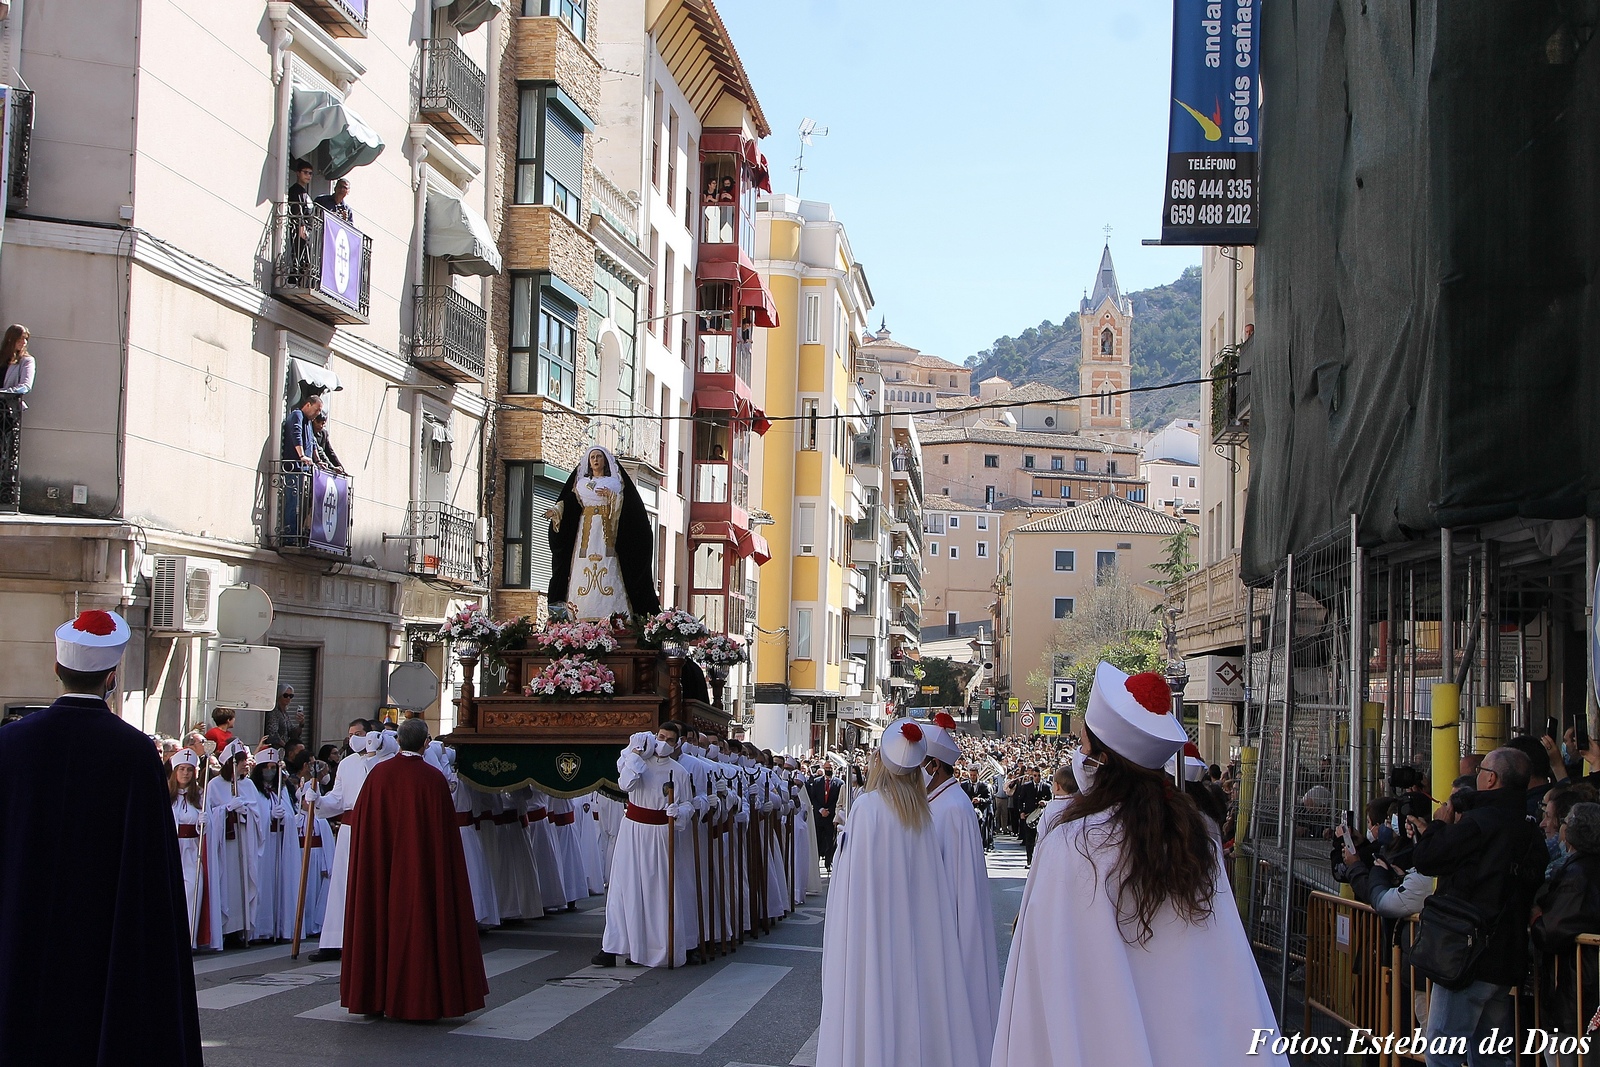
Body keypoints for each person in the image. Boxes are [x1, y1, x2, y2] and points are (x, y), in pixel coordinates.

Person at [992, 662, 1286, 1067]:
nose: (1079, 757)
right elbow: (1225, 978)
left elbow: (1042, 986)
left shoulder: (1070, 843)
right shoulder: (1199, 840)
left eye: (1083, 746)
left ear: (1102, 760)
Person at [0, 610, 203, 1064]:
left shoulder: (9, 744)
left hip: (21, 921)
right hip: (105, 932)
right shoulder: (134, 752)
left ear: (57, 668)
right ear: (112, 678)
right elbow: (153, 868)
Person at [818, 719, 985, 1067]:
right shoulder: (922, 815)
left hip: (875, 933)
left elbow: (851, 883)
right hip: (913, 939)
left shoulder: (868, 807)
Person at [1409, 746, 1548, 1067]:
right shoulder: (1529, 829)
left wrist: (1440, 825)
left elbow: (1427, 859)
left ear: (1491, 778)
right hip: (1505, 957)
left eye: (1480, 770)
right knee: (1490, 1057)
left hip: (1464, 957)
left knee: (1442, 1053)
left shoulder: (1477, 825)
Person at [339, 719, 488, 1020]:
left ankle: (376, 994)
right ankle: (422, 997)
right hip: (422, 872)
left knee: (380, 919)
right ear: (425, 743)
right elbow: (444, 839)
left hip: (383, 870)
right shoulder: (433, 779)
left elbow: (366, 833)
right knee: (422, 923)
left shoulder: (378, 776)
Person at [922, 723, 1000, 1049]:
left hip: (951, 926)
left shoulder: (951, 807)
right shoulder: (942, 801)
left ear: (934, 765)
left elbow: (951, 885)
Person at [596, 727, 692, 968]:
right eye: (661, 737)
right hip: (632, 829)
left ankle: (651, 948)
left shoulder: (679, 772)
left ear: (677, 743)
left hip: (659, 834)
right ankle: (614, 946)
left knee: (656, 889)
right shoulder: (635, 760)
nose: (664, 743)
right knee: (622, 886)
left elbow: (688, 804)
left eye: (670, 740)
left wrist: (678, 811)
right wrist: (636, 755)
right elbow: (626, 784)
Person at [545, 446, 660, 620]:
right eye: (592, 457)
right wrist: (556, 511)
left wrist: (612, 497)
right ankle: (580, 614)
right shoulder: (581, 484)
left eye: (599, 456)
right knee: (582, 568)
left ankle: (614, 614)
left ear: (605, 460)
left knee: (610, 567)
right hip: (585, 532)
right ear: (589, 462)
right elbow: (569, 504)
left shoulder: (615, 482)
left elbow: (628, 509)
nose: (596, 460)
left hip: (607, 532)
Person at [1531, 802, 1600, 1067]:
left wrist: (1536, 916)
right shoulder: (1580, 869)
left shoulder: (1578, 874)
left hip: (1577, 991)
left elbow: (1553, 931)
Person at [307, 723, 372, 963]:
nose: (353, 739)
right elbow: (337, 798)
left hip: (374, 830)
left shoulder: (385, 761)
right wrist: (318, 801)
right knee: (341, 883)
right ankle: (335, 940)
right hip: (349, 830)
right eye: (350, 735)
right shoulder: (346, 764)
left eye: (358, 734)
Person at [250, 747, 302, 943]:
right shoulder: (253, 789)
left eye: (274, 767)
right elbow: (253, 813)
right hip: (262, 844)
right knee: (263, 884)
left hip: (279, 842)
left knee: (279, 883)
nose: (270, 771)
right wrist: (268, 816)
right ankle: (261, 928)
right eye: (267, 767)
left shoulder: (281, 789)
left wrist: (285, 817)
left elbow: (291, 814)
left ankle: (279, 926)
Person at [169, 748, 206, 946]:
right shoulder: (165, 793)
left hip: (192, 850)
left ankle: (188, 938)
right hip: (172, 849)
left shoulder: (200, 795)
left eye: (189, 770)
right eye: (182, 769)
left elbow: (208, 827)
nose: (185, 773)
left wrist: (206, 822)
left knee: (192, 890)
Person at [0, 324, 34, 511]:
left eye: (26, 339)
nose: (24, 342)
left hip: (8, 412)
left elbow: (25, 386)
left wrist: (3, 392)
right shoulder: (2, 358)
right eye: (21, 338)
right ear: (11, 339)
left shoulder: (26, 361)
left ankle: (5, 493)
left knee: (7, 454)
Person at [808, 761, 842, 871]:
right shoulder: (817, 782)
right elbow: (813, 798)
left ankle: (828, 863)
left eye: (830, 768)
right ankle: (815, 864)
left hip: (831, 817)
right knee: (817, 840)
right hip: (818, 816)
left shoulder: (839, 783)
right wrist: (821, 809)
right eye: (826, 767)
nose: (828, 769)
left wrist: (829, 810)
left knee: (830, 841)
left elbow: (839, 800)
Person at [312, 409, 346, 474]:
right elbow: (320, 451)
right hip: (313, 466)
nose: (320, 426)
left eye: (323, 423)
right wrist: (332, 467)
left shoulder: (324, 434)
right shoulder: (308, 431)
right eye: (318, 422)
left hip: (321, 469)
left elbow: (330, 452)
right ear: (313, 421)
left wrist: (340, 468)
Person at [264, 683, 297, 749]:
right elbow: (273, 734)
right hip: (275, 750)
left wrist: (301, 724)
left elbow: (292, 732)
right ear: (279, 695)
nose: (288, 698)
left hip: (284, 749)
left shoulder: (285, 713)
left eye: (291, 696)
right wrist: (286, 747)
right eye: (285, 695)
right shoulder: (274, 712)